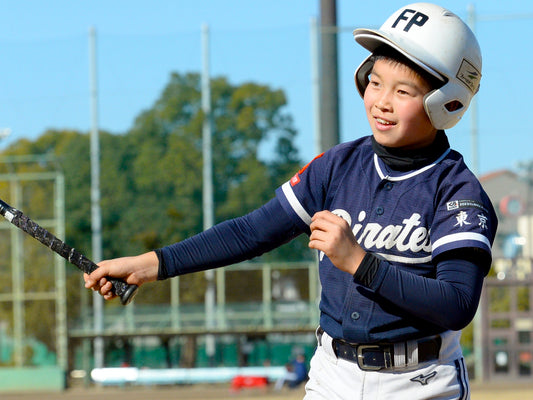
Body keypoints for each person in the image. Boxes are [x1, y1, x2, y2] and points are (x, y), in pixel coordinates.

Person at [85, 3, 497, 399]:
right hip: (333, 377)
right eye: (375, 81)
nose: (381, 101)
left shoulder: (457, 191)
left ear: (448, 103)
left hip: (420, 383)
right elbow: (251, 231)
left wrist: (359, 261)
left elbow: (457, 304)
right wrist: (148, 265)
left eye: (403, 91)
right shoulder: (337, 166)